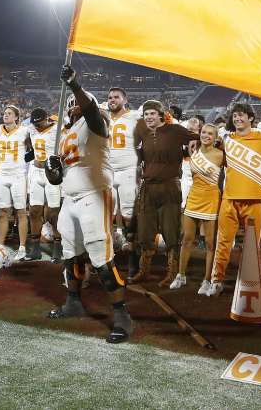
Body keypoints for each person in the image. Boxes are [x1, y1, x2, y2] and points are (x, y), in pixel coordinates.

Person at [46, 64, 132, 344]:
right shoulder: (66, 134)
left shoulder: (96, 122)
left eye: (75, 104)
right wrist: (54, 171)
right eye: (70, 105)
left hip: (94, 195)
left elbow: (93, 112)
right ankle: (73, 301)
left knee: (101, 256)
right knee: (71, 254)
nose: (72, 108)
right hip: (70, 199)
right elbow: (61, 176)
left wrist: (74, 85)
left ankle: (121, 316)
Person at [209, 103, 261, 294]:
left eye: (241, 115)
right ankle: (217, 280)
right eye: (235, 116)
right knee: (223, 242)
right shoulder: (226, 138)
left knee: (252, 245)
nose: (237, 119)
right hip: (230, 198)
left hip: (255, 200)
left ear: (251, 118)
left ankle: (249, 280)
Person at [130, 100, 197, 285]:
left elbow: (198, 139)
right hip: (148, 187)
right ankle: (144, 270)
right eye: (146, 114)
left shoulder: (175, 130)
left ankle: (173, 273)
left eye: (152, 113)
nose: (149, 117)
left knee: (171, 231)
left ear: (161, 115)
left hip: (169, 186)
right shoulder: (141, 131)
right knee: (144, 231)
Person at [175, 122, 224, 293]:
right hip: (193, 197)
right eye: (204, 132)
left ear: (216, 137)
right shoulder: (193, 150)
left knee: (210, 243)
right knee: (187, 239)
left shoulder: (221, 155)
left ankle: (207, 280)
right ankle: (180, 275)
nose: (206, 136)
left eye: (210, 134)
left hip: (211, 199)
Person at [0, 106, 31, 259]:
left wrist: (23, 161)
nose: (6, 115)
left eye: (9, 114)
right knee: (3, 212)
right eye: (5, 113)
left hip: (18, 175)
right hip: (2, 175)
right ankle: (0, 245)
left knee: (21, 211)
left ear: (16, 117)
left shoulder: (24, 131)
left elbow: (33, 149)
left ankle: (22, 247)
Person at [106, 87, 141, 250]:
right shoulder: (104, 118)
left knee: (128, 213)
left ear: (125, 100)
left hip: (128, 169)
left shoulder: (135, 116)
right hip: (108, 171)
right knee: (108, 211)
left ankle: (134, 243)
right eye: (110, 97)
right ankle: (114, 241)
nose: (112, 100)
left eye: (116, 97)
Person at [26, 108, 61, 261]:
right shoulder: (31, 129)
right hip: (35, 171)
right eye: (35, 124)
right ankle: (35, 249)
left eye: (40, 123)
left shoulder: (58, 130)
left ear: (47, 119)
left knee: (54, 213)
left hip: (51, 173)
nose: (37, 127)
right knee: (34, 210)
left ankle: (58, 248)